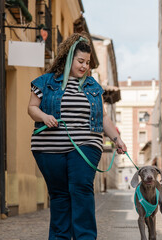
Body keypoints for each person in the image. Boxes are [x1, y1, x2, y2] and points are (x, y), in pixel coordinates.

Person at [27, 32, 127, 240]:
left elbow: (104, 119)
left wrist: (117, 139)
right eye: (80, 61)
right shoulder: (45, 82)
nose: (84, 66)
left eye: (87, 63)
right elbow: (32, 108)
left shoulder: (93, 87)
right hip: (48, 148)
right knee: (60, 197)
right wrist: (45, 117)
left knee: (81, 190)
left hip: (85, 145)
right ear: (68, 58)